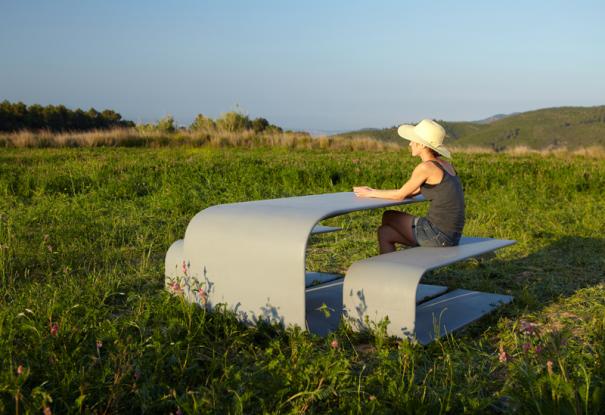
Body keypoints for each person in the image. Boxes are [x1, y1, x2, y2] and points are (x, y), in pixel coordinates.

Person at [353, 119, 465, 254]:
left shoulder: (426, 167)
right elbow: (413, 191)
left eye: (413, 140)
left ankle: (409, 261)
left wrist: (370, 192)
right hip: (452, 236)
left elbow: (400, 195)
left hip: (437, 235)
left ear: (423, 145)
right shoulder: (446, 165)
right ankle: (390, 272)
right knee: (385, 232)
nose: (410, 143)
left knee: (389, 216)